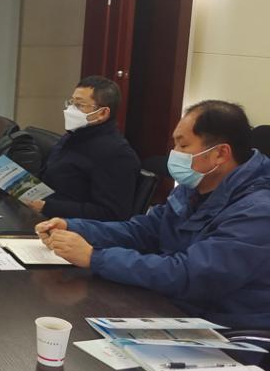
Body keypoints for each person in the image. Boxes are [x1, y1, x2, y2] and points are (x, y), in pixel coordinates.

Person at [36, 100, 270, 329]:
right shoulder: (194, 188)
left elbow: (192, 274)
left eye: (183, 146)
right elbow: (143, 231)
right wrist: (74, 227)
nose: (174, 153)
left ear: (220, 153)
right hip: (177, 308)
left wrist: (95, 258)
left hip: (230, 327)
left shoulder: (257, 211)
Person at [28, 76, 140, 220]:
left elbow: (111, 214)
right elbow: (53, 179)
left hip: (69, 226)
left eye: (79, 105)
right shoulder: (74, 136)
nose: (70, 110)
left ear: (103, 113)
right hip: (44, 214)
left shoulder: (116, 154)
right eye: (71, 102)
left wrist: (47, 207)